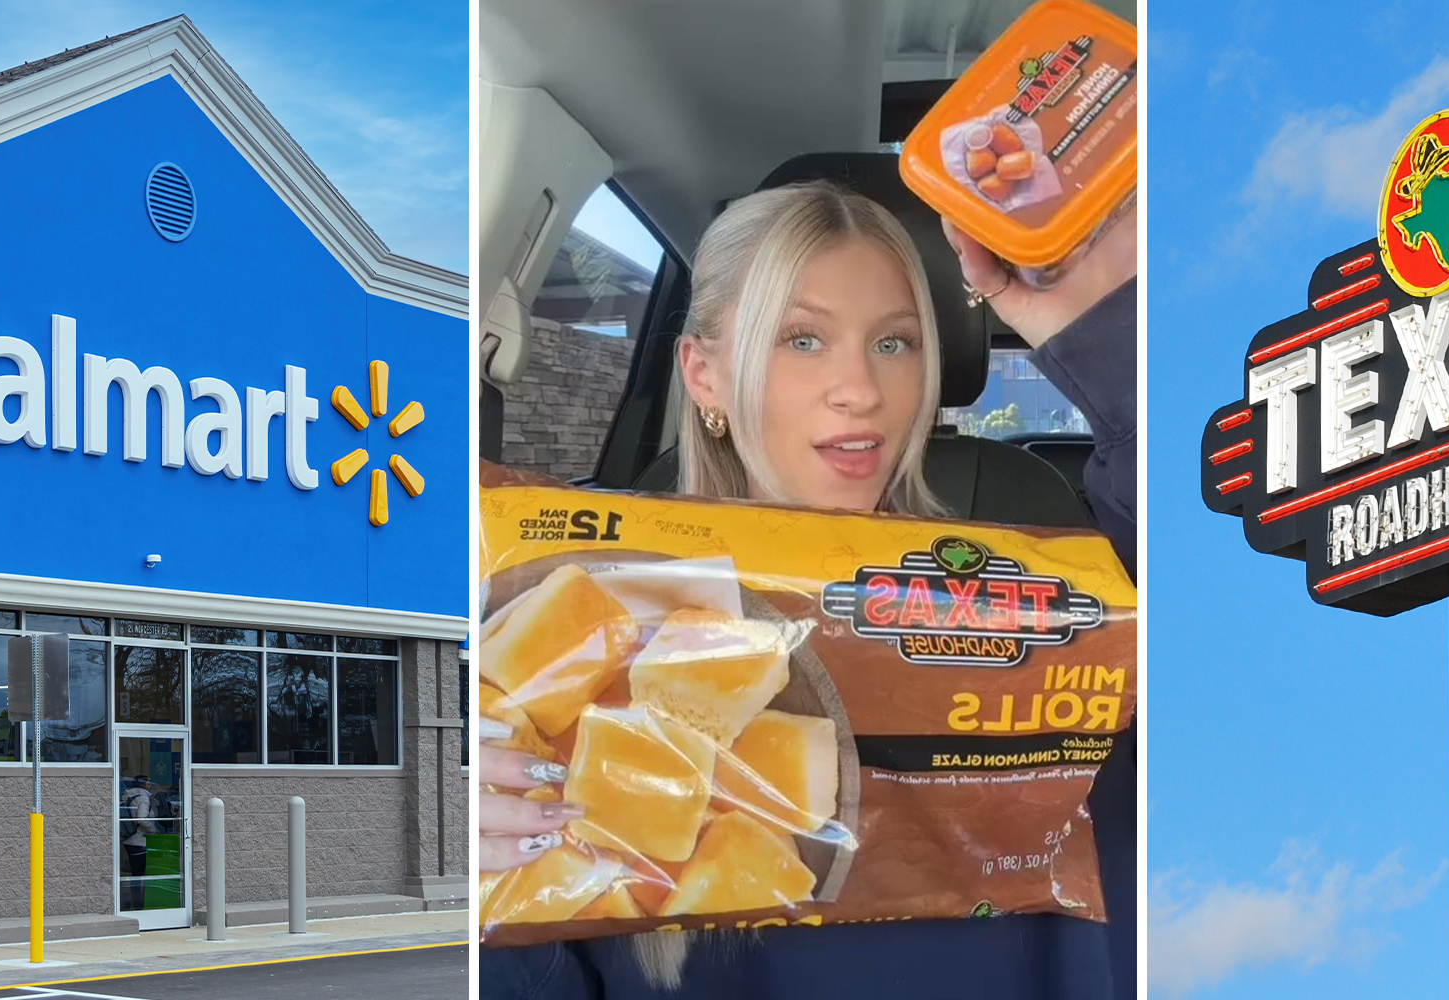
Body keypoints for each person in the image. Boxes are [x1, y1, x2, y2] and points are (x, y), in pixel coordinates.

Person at [479, 180, 1138, 1000]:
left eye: (894, 344)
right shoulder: (588, 632)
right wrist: (484, 880)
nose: (861, 389)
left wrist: (1106, 337)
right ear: (705, 376)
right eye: (802, 339)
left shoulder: (1057, 590)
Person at [121, 775, 155, 910]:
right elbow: (142, 819)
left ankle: (132, 902)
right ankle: (139, 904)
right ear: (142, 785)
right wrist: (154, 829)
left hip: (129, 839)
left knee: (135, 874)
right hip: (140, 840)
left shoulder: (129, 796)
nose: (150, 785)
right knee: (141, 875)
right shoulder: (144, 798)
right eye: (148, 782)